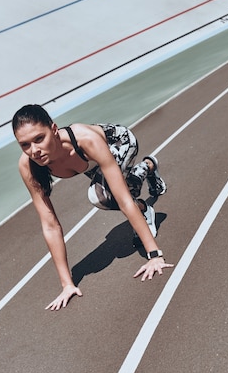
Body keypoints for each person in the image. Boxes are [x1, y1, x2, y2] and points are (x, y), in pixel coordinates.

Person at [12, 104, 173, 310]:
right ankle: (146, 188)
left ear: (53, 130)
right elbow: (50, 224)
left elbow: (123, 200)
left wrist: (154, 255)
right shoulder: (28, 166)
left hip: (120, 143)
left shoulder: (86, 139)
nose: (34, 150)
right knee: (108, 191)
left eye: (39, 139)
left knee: (102, 197)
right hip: (91, 165)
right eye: (25, 145)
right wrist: (67, 284)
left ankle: (147, 169)